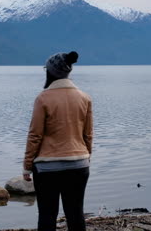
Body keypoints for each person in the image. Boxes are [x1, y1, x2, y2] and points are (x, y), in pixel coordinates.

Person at [23, 51, 93, 231]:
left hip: (47, 169)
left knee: (47, 215)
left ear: (50, 72)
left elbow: (35, 135)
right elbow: (88, 135)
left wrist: (27, 166)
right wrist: (87, 157)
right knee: (76, 214)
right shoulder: (84, 97)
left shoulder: (43, 98)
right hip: (79, 165)